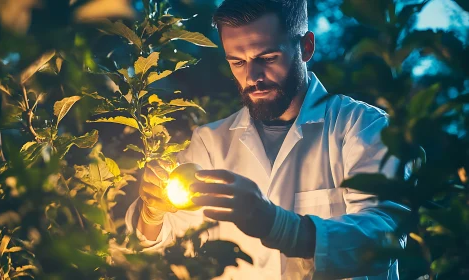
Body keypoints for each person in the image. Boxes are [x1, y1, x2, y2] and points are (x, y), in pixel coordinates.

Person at [125, 0, 409, 279]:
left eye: (267, 58)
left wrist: (277, 224)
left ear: (306, 47)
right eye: (237, 61)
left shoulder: (364, 127)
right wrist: (152, 213)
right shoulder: (209, 143)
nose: (252, 77)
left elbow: (385, 237)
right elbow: (163, 250)